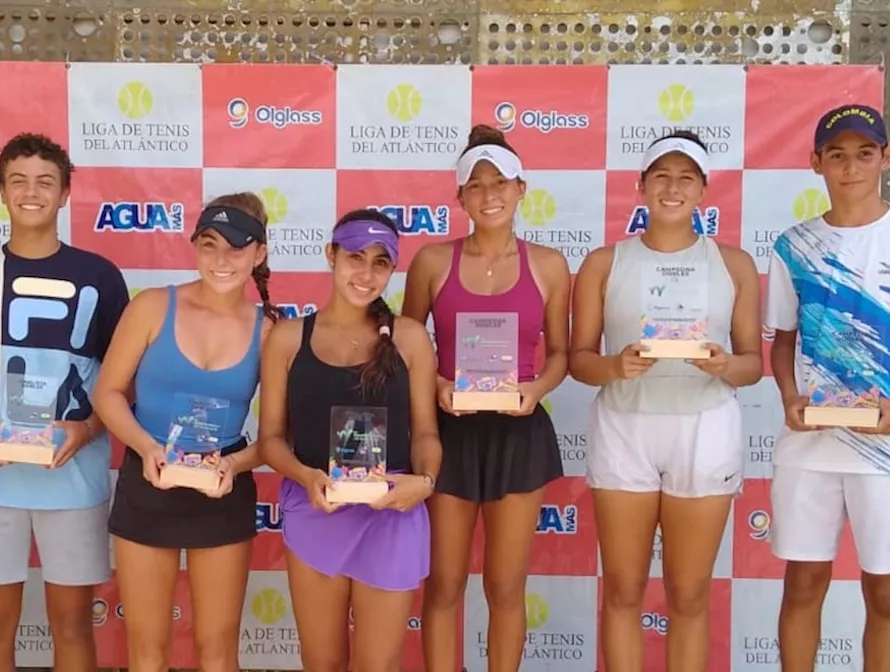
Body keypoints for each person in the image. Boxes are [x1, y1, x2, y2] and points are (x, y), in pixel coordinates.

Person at [765, 104, 890, 671]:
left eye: (865, 154)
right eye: (838, 155)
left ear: (886, 158)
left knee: (888, 593)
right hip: (811, 447)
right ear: (816, 163)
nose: (852, 167)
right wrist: (788, 398)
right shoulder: (793, 244)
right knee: (802, 585)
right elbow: (782, 340)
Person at [0, 133, 129, 672]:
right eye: (18, 181)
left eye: (45, 181)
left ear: (66, 193)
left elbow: (122, 379)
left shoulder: (101, 276)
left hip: (76, 476)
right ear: (1, 191)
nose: (31, 192)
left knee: (71, 628)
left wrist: (87, 430)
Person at [569, 130, 762, 671]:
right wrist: (615, 366)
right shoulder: (604, 263)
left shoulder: (735, 265)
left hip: (704, 428)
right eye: (661, 176)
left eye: (686, 178)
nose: (672, 188)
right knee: (624, 592)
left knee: (688, 595)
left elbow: (754, 366)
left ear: (704, 191)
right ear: (640, 187)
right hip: (624, 430)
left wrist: (724, 364)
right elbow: (581, 359)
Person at [402, 124, 571, 671]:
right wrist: (438, 386)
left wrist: (535, 389)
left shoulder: (548, 265)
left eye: (501, 182)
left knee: (504, 585)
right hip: (449, 434)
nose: (490, 194)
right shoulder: (431, 261)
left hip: (518, 433)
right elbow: (406, 348)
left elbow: (562, 355)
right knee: (445, 582)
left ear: (522, 188)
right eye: (476, 185)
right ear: (459, 198)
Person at [94, 193, 280, 672]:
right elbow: (108, 393)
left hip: (223, 487)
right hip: (148, 480)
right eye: (210, 244)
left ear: (259, 253)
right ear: (194, 245)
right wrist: (147, 448)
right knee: (147, 653)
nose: (221, 260)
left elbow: (281, 435)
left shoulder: (270, 333)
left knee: (217, 654)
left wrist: (235, 464)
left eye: (237, 248)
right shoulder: (153, 307)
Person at [258, 209, 442, 672]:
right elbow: (270, 441)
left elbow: (425, 434)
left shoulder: (411, 339)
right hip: (316, 508)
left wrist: (425, 481)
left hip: (391, 513)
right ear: (330, 256)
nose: (365, 273)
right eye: (355, 257)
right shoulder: (286, 339)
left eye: (380, 262)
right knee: (321, 663)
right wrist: (305, 476)